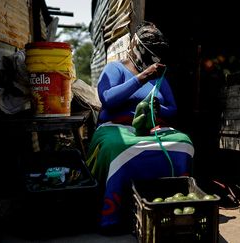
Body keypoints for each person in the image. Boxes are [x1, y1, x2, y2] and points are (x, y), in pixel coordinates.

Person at [86, 21, 194, 232]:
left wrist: (158, 109)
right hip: (115, 126)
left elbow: (173, 109)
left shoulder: (159, 76)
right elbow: (107, 99)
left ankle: (174, 206)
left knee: (183, 143)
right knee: (119, 147)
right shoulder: (115, 68)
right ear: (137, 48)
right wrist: (142, 78)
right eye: (150, 53)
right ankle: (114, 216)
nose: (154, 59)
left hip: (153, 128)